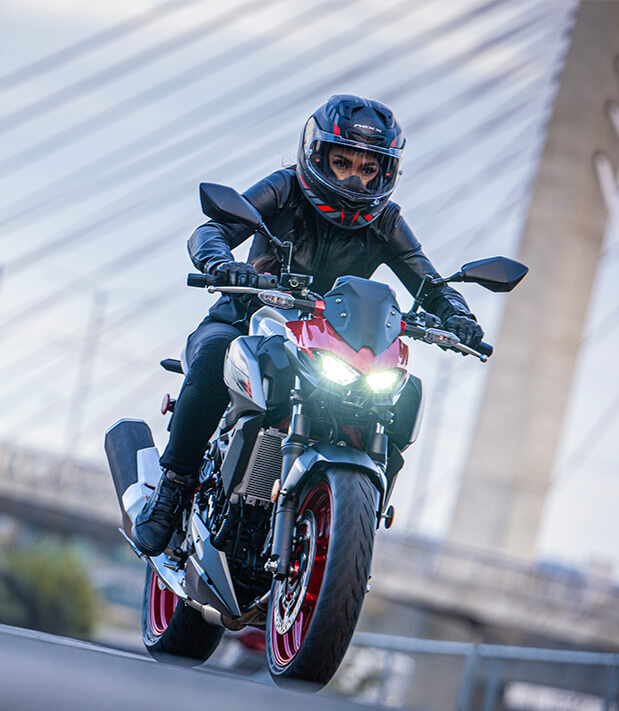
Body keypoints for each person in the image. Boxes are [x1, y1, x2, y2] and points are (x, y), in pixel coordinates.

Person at [130, 94, 484, 557]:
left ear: (387, 172)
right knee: (218, 352)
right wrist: (221, 263)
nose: (356, 177)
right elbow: (211, 229)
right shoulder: (285, 189)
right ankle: (172, 489)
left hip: (330, 345)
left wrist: (458, 314)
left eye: (369, 167)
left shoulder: (387, 222)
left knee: (403, 390)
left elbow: (430, 282)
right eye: (342, 162)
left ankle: (356, 519)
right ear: (317, 156)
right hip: (249, 322)